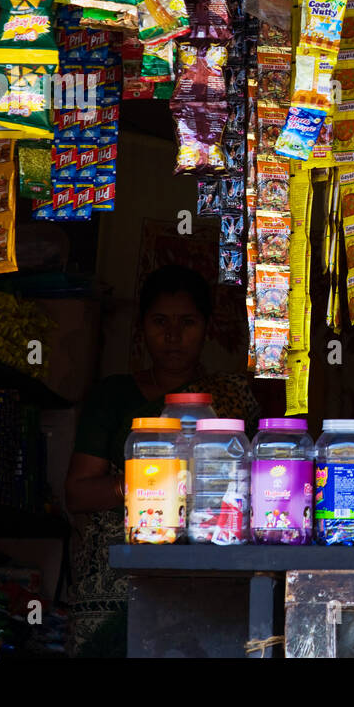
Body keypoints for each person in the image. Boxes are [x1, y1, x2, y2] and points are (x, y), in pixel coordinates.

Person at [64, 264, 259, 657]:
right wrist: (153, 485)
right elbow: (78, 493)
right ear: (141, 328)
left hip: (208, 566)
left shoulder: (231, 399)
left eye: (187, 322)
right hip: (117, 573)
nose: (173, 336)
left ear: (207, 327)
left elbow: (251, 489)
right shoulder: (114, 395)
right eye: (160, 322)